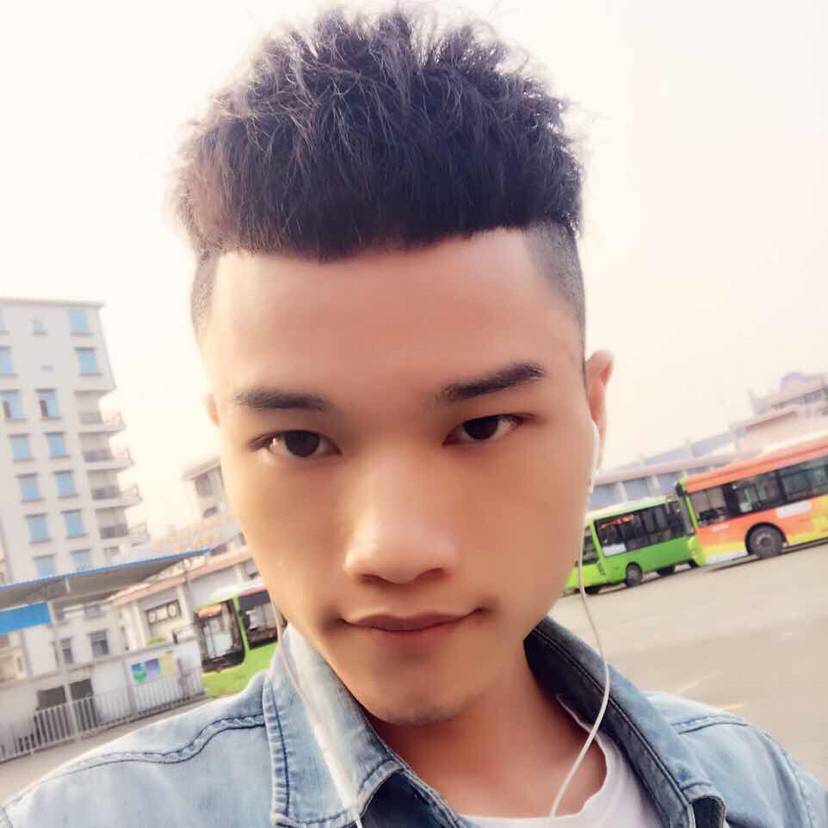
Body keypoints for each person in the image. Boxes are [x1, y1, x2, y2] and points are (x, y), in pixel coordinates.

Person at [3, 8, 825, 827]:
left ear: (592, 410)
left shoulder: (761, 786)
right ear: (226, 451)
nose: (393, 551)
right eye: (299, 441)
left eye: (482, 427)